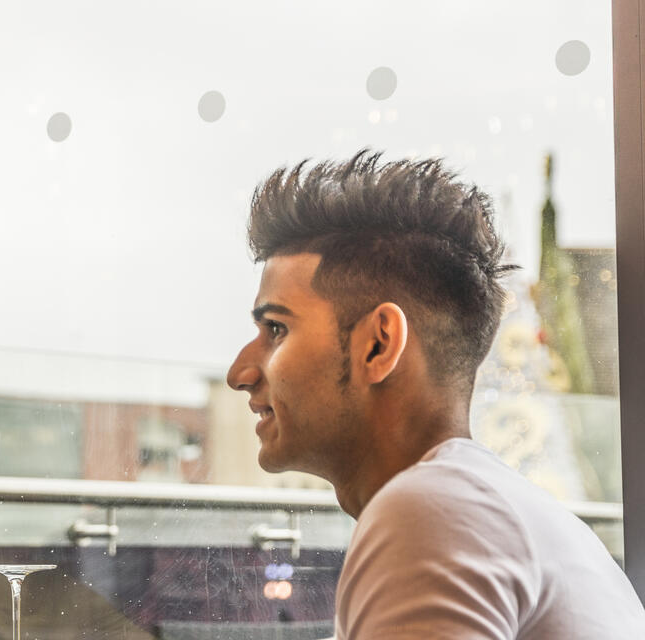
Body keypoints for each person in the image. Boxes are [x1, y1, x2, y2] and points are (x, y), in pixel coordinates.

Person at [225, 151, 645, 638]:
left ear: (379, 344)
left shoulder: (432, 512)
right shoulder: (498, 510)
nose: (240, 373)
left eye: (276, 329)